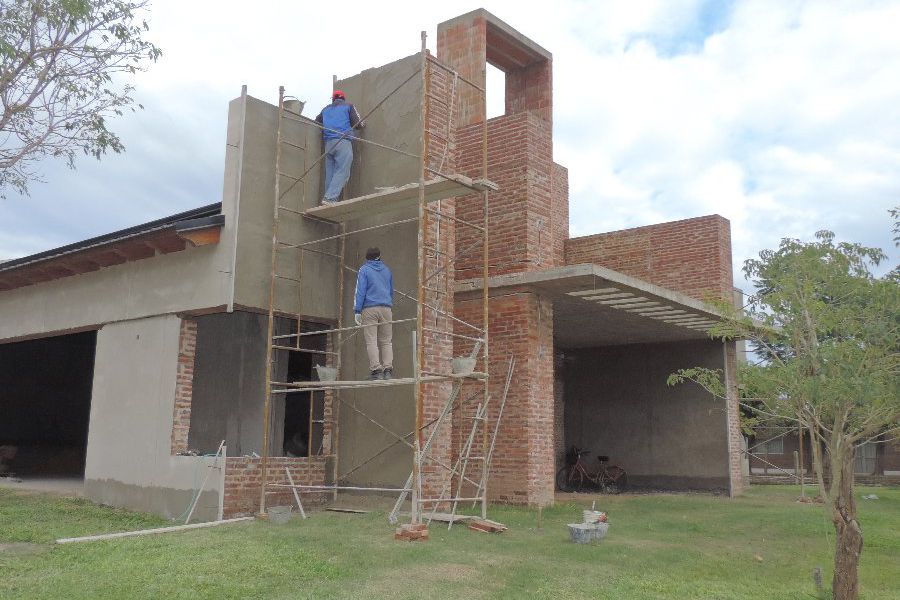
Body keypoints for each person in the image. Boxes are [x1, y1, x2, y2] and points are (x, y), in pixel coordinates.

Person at [315, 90, 364, 204]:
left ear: (333, 99)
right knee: (343, 171)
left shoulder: (325, 109)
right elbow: (359, 124)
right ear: (343, 98)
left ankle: (327, 199)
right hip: (342, 141)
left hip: (329, 144)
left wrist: (330, 125)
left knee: (330, 174)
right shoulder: (348, 106)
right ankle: (330, 198)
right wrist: (362, 124)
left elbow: (317, 122)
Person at [354, 247, 394, 380]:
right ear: (379, 256)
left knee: (371, 340)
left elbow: (360, 291)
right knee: (386, 341)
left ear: (367, 258)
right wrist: (388, 303)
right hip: (386, 308)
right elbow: (390, 291)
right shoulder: (387, 270)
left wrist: (357, 311)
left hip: (370, 308)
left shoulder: (364, 270)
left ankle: (376, 371)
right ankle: (388, 370)